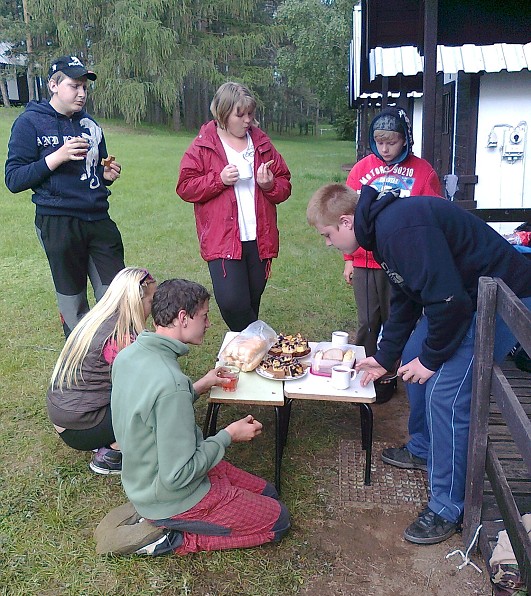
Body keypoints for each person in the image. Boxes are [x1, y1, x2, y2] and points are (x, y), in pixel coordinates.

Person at [307, 183, 531, 545]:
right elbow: (407, 295)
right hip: (461, 296)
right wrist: (385, 356)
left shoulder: (399, 230)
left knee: (447, 395)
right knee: (412, 358)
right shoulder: (379, 229)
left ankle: (448, 507)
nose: (328, 244)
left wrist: (430, 360)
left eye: (328, 235)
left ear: (346, 222)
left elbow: (449, 304)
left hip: (501, 298)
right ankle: (424, 448)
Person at [110, 278, 290, 556]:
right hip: (171, 495)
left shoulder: (129, 356)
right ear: (183, 318)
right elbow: (178, 475)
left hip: (143, 479)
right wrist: (227, 436)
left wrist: (200, 386)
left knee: (268, 492)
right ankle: (171, 539)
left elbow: (151, 410)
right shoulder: (171, 384)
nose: (208, 324)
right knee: (278, 519)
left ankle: (174, 510)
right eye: (204, 316)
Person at [5, 55, 125, 338]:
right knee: (73, 303)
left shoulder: (90, 125)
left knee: (118, 295)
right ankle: (81, 369)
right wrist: (55, 158)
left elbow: (95, 167)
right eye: (74, 86)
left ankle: (117, 360)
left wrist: (105, 172)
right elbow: (13, 179)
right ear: (54, 86)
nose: (82, 93)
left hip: (98, 219)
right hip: (57, 221)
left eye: (84, 87)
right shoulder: (30, 123)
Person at [343, 107, 442, 403]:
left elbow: (434, 215)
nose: (385, 149)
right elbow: (347, 218)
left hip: (405, 263)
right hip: (365, 261)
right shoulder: (361, 170)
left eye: (392, 142)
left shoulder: (423, 172)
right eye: (380, 142)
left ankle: (390, 376)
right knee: (368, 322)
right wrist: (349, 259)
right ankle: (363, 374)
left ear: (405, 140)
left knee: (397, 320)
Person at [176, 82, 291, 332]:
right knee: (232, 302)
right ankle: (259, 343)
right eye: (240, 114)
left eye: (250, 113)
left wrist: (270, 185)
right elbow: (185, 187)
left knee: (251, 299)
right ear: (222, 112)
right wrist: (219, 180)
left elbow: (285, 185)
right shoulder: (203, 145)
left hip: (259, 239)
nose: (247, 120)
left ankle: (245, 360)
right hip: (223, 240)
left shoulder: (261, 143)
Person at [47, 267, 156, 475]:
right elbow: (147, 385)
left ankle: (108, 437)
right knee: (154, 403)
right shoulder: (121, 338)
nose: (154, 307)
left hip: (66, 415)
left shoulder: (98, 319)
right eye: (152, 301)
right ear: (136, 301)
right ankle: (112, 454)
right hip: (80, 428)